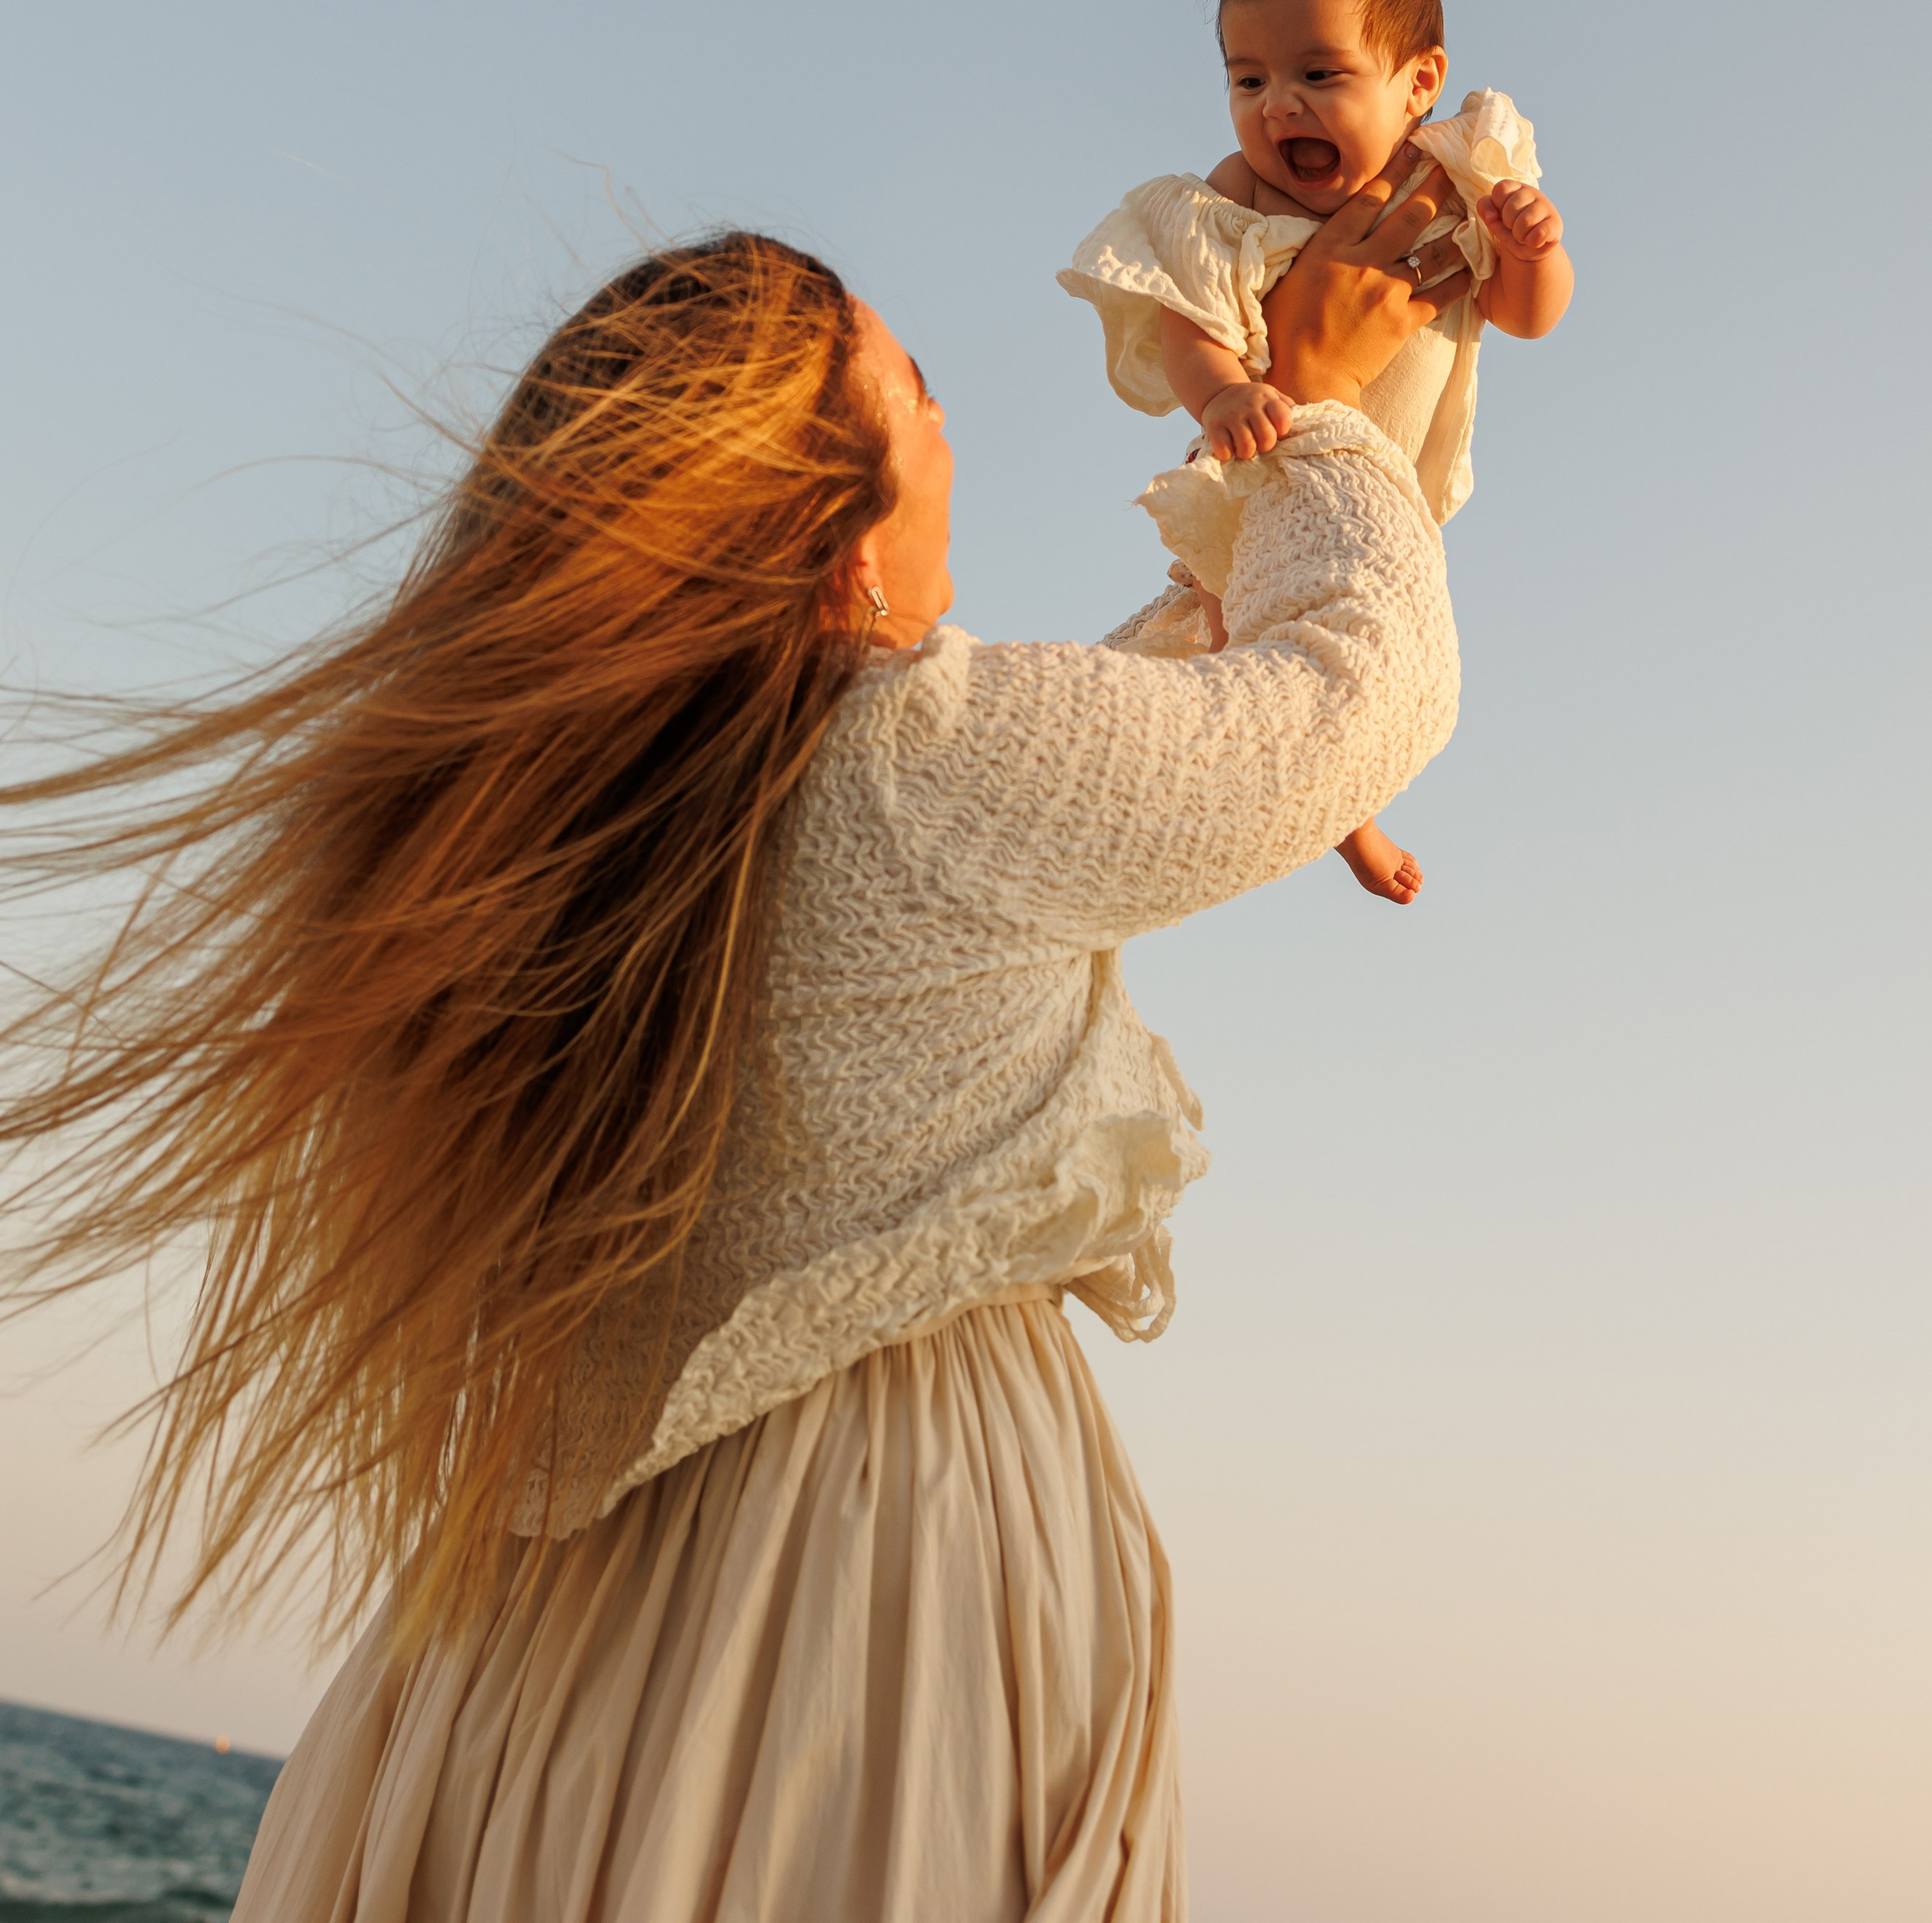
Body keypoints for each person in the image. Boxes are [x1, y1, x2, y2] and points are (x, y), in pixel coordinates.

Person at [0, 169, 1465, 1923]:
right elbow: (1359, 688)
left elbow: (1069, 781)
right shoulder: (920, 767)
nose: (950, 417)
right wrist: (1317, 410)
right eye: (914, 390)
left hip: (536, 1669)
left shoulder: (625, 827)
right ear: (837, 538)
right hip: (837, 1629)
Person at [1060, 0, 1572, 906]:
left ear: (1419, 81)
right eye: (1245, 80)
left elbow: (1525, 314)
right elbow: (1187, 317)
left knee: (1355, 638)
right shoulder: (1233, 197)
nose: (1275, 107)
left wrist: (1533, 250)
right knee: (1242, 630)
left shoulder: (1459, 180)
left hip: (1383, 486)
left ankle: (1349, 798)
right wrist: (1218, 401)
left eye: (1317, 74)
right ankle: (1349, 824)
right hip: (1262, 456)